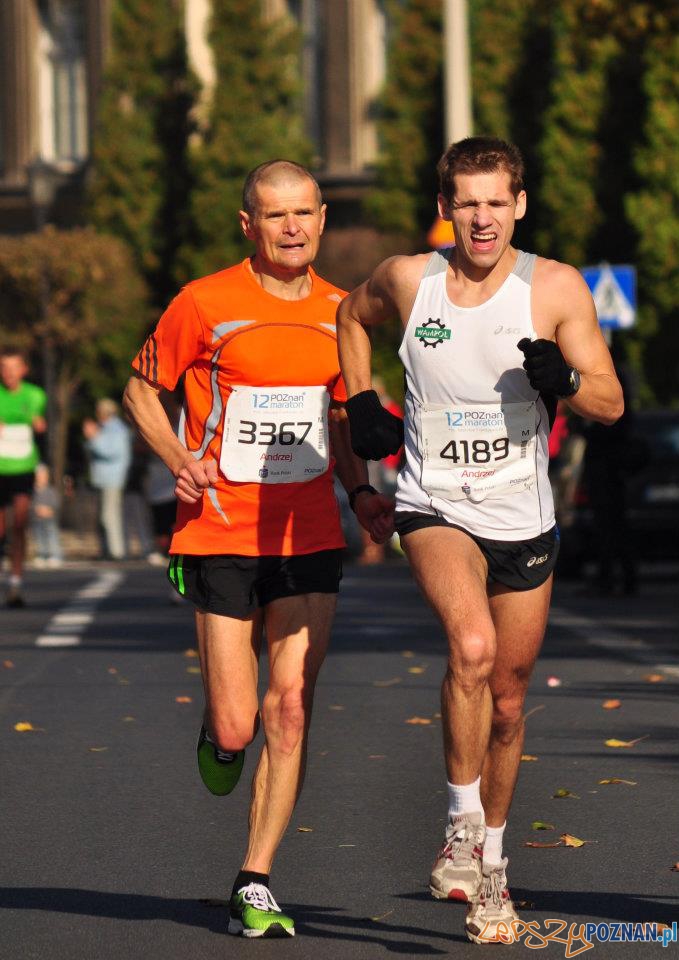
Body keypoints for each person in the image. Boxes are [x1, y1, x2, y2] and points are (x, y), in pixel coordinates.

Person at [337, 137, 623, 944]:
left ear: (519, 205)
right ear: (444, 210)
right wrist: (361, 402)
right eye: (466, 202)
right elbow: (346, 317)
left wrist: (563, 381)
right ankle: (461, 823)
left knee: (506, 696)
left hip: (522, 516)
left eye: (496, 201)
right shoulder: (407, 279)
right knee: (469, 646)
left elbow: (608, 401)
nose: (481, 218)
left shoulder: (555, 288)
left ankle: (493, 869)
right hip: (435, 504)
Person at [123, 159, 392, 939]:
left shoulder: (343, 313)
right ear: (249, 224)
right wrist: (182, 463)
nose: (293, 228)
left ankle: (256, 877)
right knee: (241, 725)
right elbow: (144, 388)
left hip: (308, 534)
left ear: (322, 217)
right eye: (275, 216)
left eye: (304, 213)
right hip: (220, 531)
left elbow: (342, 421)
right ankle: (217, 728)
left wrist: (363, 491)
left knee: (293, 704)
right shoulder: (203, 303)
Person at [0, 349, 47, 607]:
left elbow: (37, 424)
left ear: (23, 369)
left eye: (13, 367)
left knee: (19, 524)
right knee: (1, 529)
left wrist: (36, 424)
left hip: (23, 465)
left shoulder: (35, 395)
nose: (8, 373)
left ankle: (16, 582)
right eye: (3, 367)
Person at [82, 398, 132, 560]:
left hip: (112, 479)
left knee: (109, 516)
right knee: (103, 517)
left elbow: (111, 452)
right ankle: (106, 549)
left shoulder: (116, 429)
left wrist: (93, 437)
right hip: (104, 479)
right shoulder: (105, 428)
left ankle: (116, 551)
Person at [30, 462, 63, 568]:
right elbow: (30, 504)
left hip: (50, 520)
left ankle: (55, 555)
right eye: (39, 476)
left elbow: (56, 505)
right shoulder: (32, 491)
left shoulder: (51, 491)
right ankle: (42, 555)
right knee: (39, 538)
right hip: (37, 520)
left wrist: (48, 510)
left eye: (43, 476)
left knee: (52, 537)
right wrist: (37, 510)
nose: (41, 478)